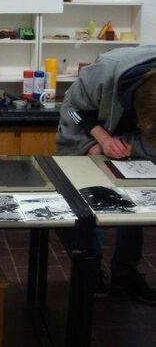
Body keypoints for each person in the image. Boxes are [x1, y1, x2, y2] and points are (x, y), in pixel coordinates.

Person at [57, 45, 156, 304]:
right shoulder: (105, 71)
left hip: (132, 146)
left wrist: (129, 145)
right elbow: (71, 109)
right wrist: (99, 141)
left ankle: (125, 272)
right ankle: (91, 267)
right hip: (87, 138)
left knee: (135, 201)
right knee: (85, 201)